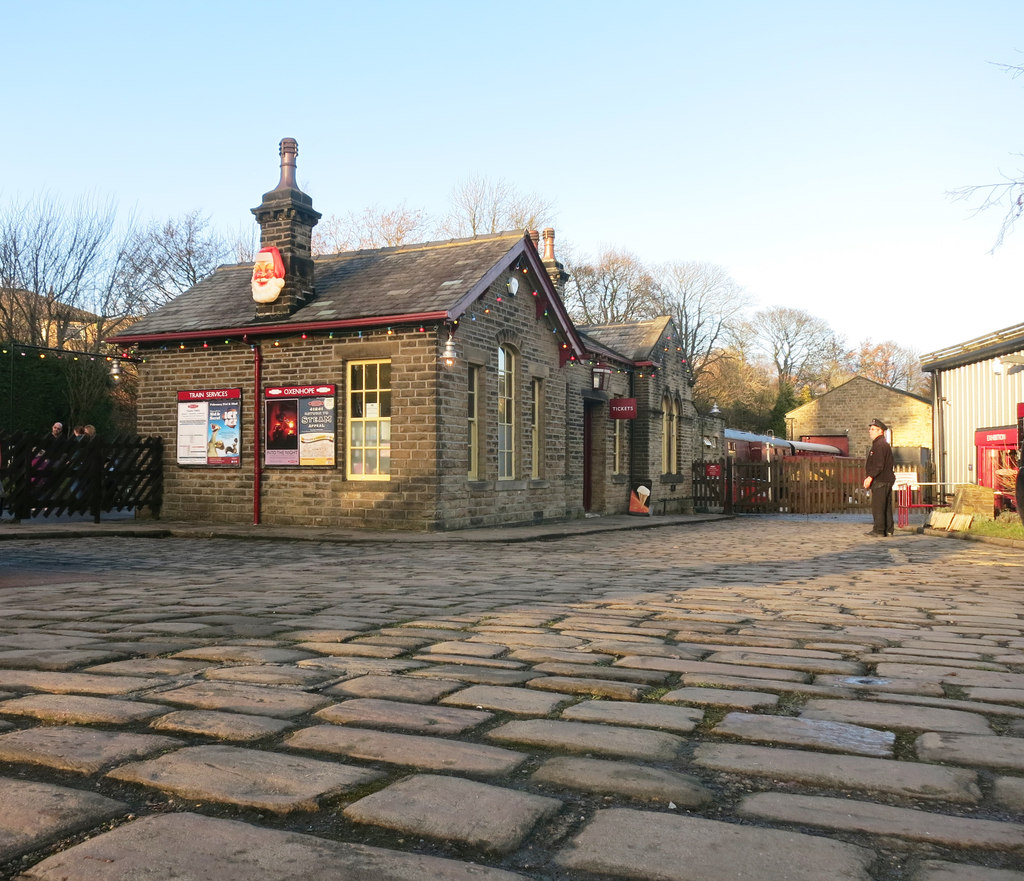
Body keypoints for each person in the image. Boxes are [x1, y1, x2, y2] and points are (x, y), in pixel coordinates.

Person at [863, 418, 895, 536]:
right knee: (886, 506)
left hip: (880, 479)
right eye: (870, 429)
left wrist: (870, 477)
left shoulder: (879, 445)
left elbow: (879, 464)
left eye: (873, 429)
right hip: (886, 479)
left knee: (878, 506)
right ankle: (888, 529)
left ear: (880, 431)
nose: (870, 431)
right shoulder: (882, 444)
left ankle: (879, 530)